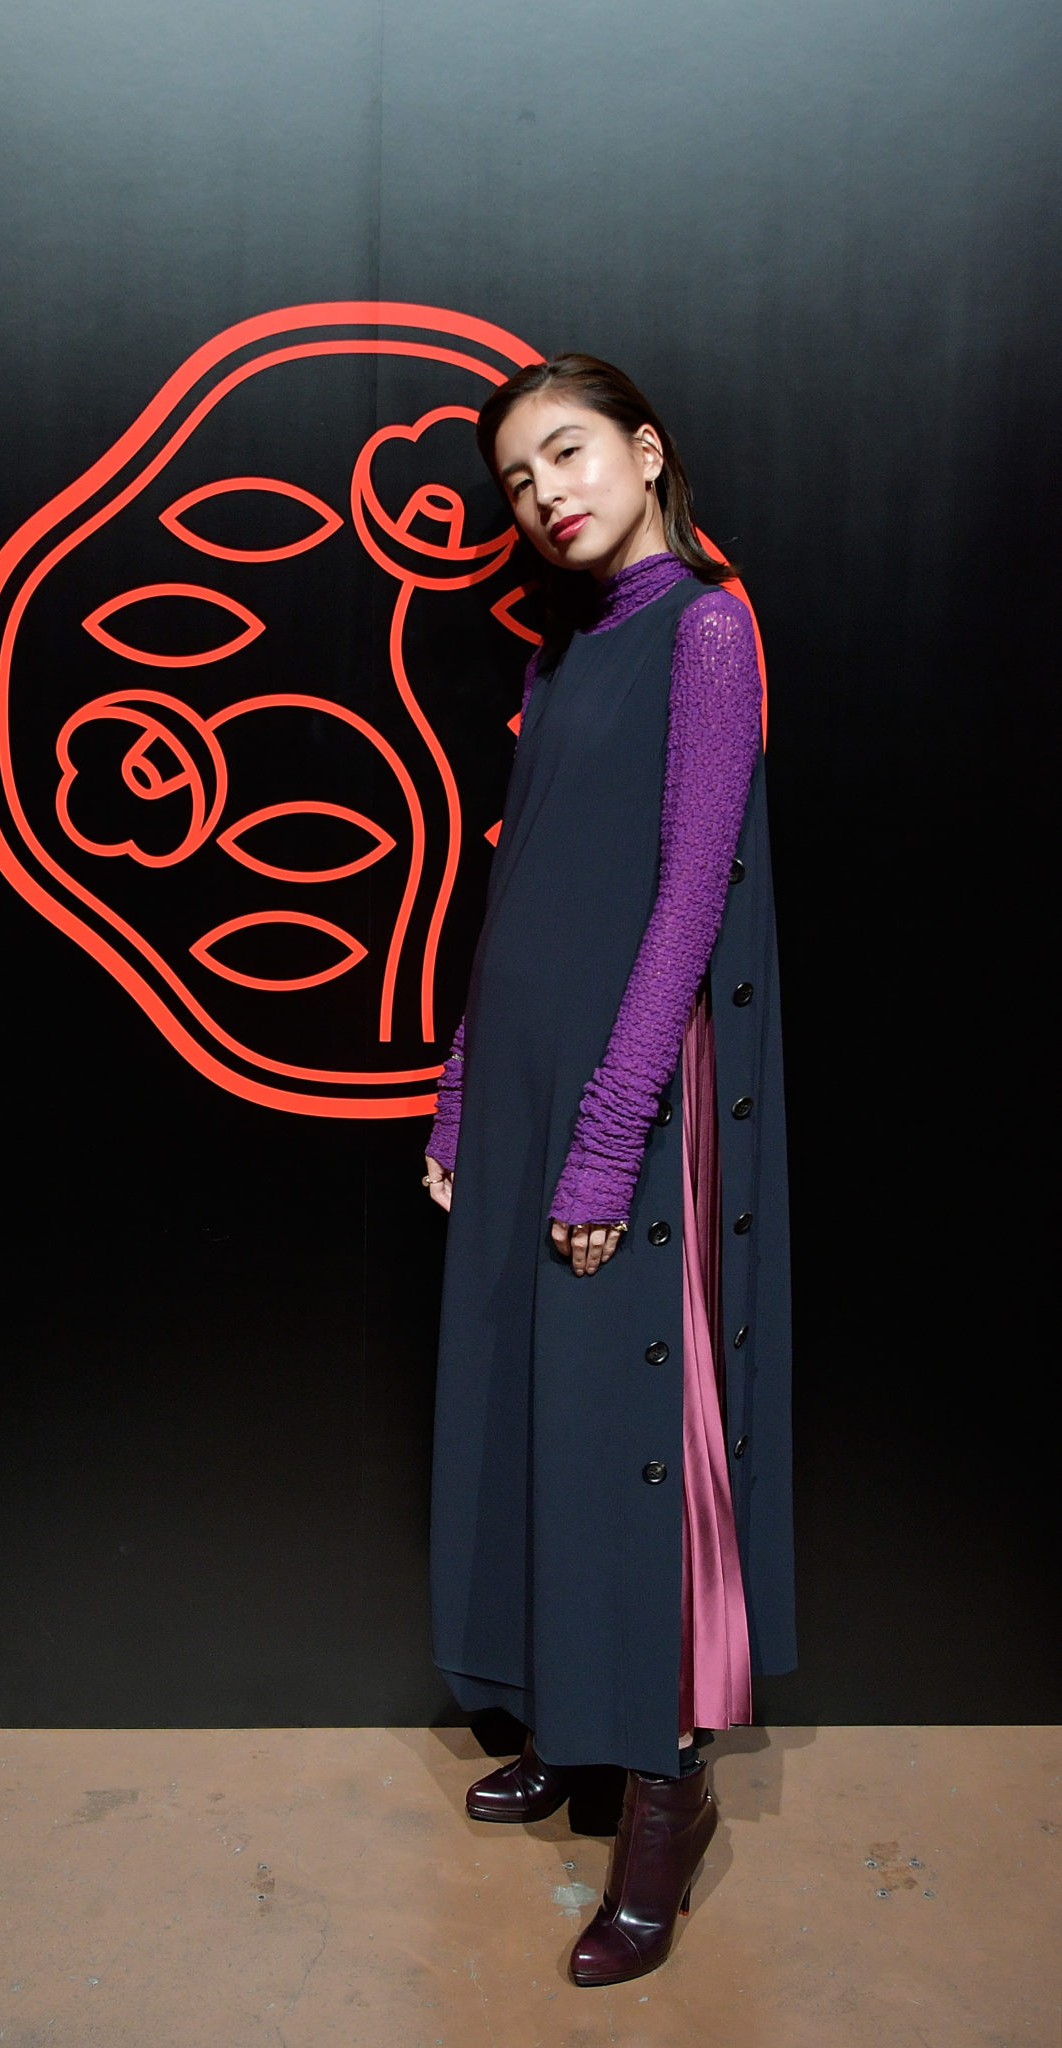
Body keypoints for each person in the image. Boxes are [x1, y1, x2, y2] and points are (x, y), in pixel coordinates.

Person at [422, 355, 794, 1987]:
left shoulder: (703, 631)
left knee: (641, 1438)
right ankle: (568, 1725)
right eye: (518, 479)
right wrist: (460, 1101)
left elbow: (689, 897)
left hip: (625, 1096)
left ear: (644, 453)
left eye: (566, 453)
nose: (546, 494)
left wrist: (607, 1130)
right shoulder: (563, 649)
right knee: (539, 1416)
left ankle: (660, 1798)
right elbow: (516, 907)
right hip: (523, 1089)